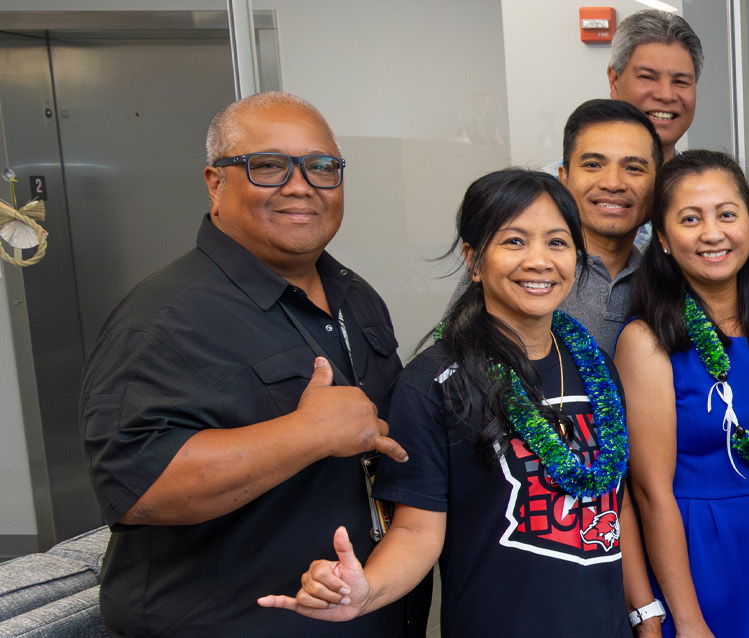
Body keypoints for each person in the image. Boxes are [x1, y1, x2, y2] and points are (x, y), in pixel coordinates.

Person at [79, 92, 417, 636]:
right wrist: (306, 433)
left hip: (359, 611)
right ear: (216, 183)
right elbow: (137, 488)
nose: (301, 185)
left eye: (321, 167)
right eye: (268, 166)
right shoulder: (166, 318)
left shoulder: (356, 296)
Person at [258, 169, 634, 635]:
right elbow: (417, 531)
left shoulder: (594, 367)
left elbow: (613, 500)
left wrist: (643, 612)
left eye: (557, 243)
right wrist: (365, 590)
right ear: (474, 261)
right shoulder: (432, 382)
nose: (539, 261)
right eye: (514, 242)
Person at [617, 150, 749, 636]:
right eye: (690, 219)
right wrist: (686, 619)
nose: (712, 233)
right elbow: (650, 492)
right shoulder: (646, 343)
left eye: (727, 214)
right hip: (704, 557)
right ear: (662, 239)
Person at [556, 99, 663, 353]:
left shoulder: (668, 280)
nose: (613, 183)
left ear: (659, 187)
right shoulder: (527, 269)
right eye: (593, 165)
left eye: (634, 168)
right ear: (564, 179)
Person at [607, 9, 700, 152]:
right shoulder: (568, 175)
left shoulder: (703, 174)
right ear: (614, 82)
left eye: (680, 81)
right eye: (648, 77)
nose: (666, 95)